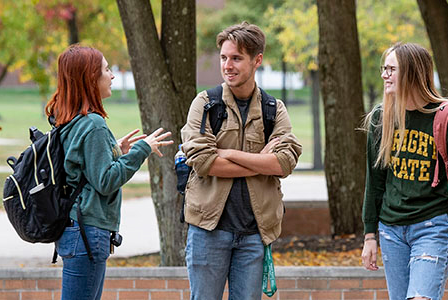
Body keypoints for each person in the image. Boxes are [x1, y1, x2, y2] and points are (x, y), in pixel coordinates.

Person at [177, 22, 302, 300]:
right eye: (223, 57)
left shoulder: (273, 109)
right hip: (208, 231)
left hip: (254, 235)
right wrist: (260, 161)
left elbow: (284, 163)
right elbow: (204, 162)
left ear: (257, 60)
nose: (227, 65)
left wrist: (229, 153)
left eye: (236, 58)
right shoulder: (205, 104)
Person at [46, 45, 173, 300]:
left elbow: (82, 170)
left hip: (75, 231)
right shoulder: (93, 124)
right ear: (90, 78)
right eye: (106, 69)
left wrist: (115, 151)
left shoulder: (69, 120)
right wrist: (140, 151)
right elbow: (105, 181)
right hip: (86, 231)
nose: (112, 75)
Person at [360, 43, 448, 300]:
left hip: (433, 226)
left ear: (412, 72)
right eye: (384, 68)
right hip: (391, 230)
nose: (384, 75)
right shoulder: (382, 118)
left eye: (391, 69)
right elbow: (375, 182)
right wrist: (370, 235)